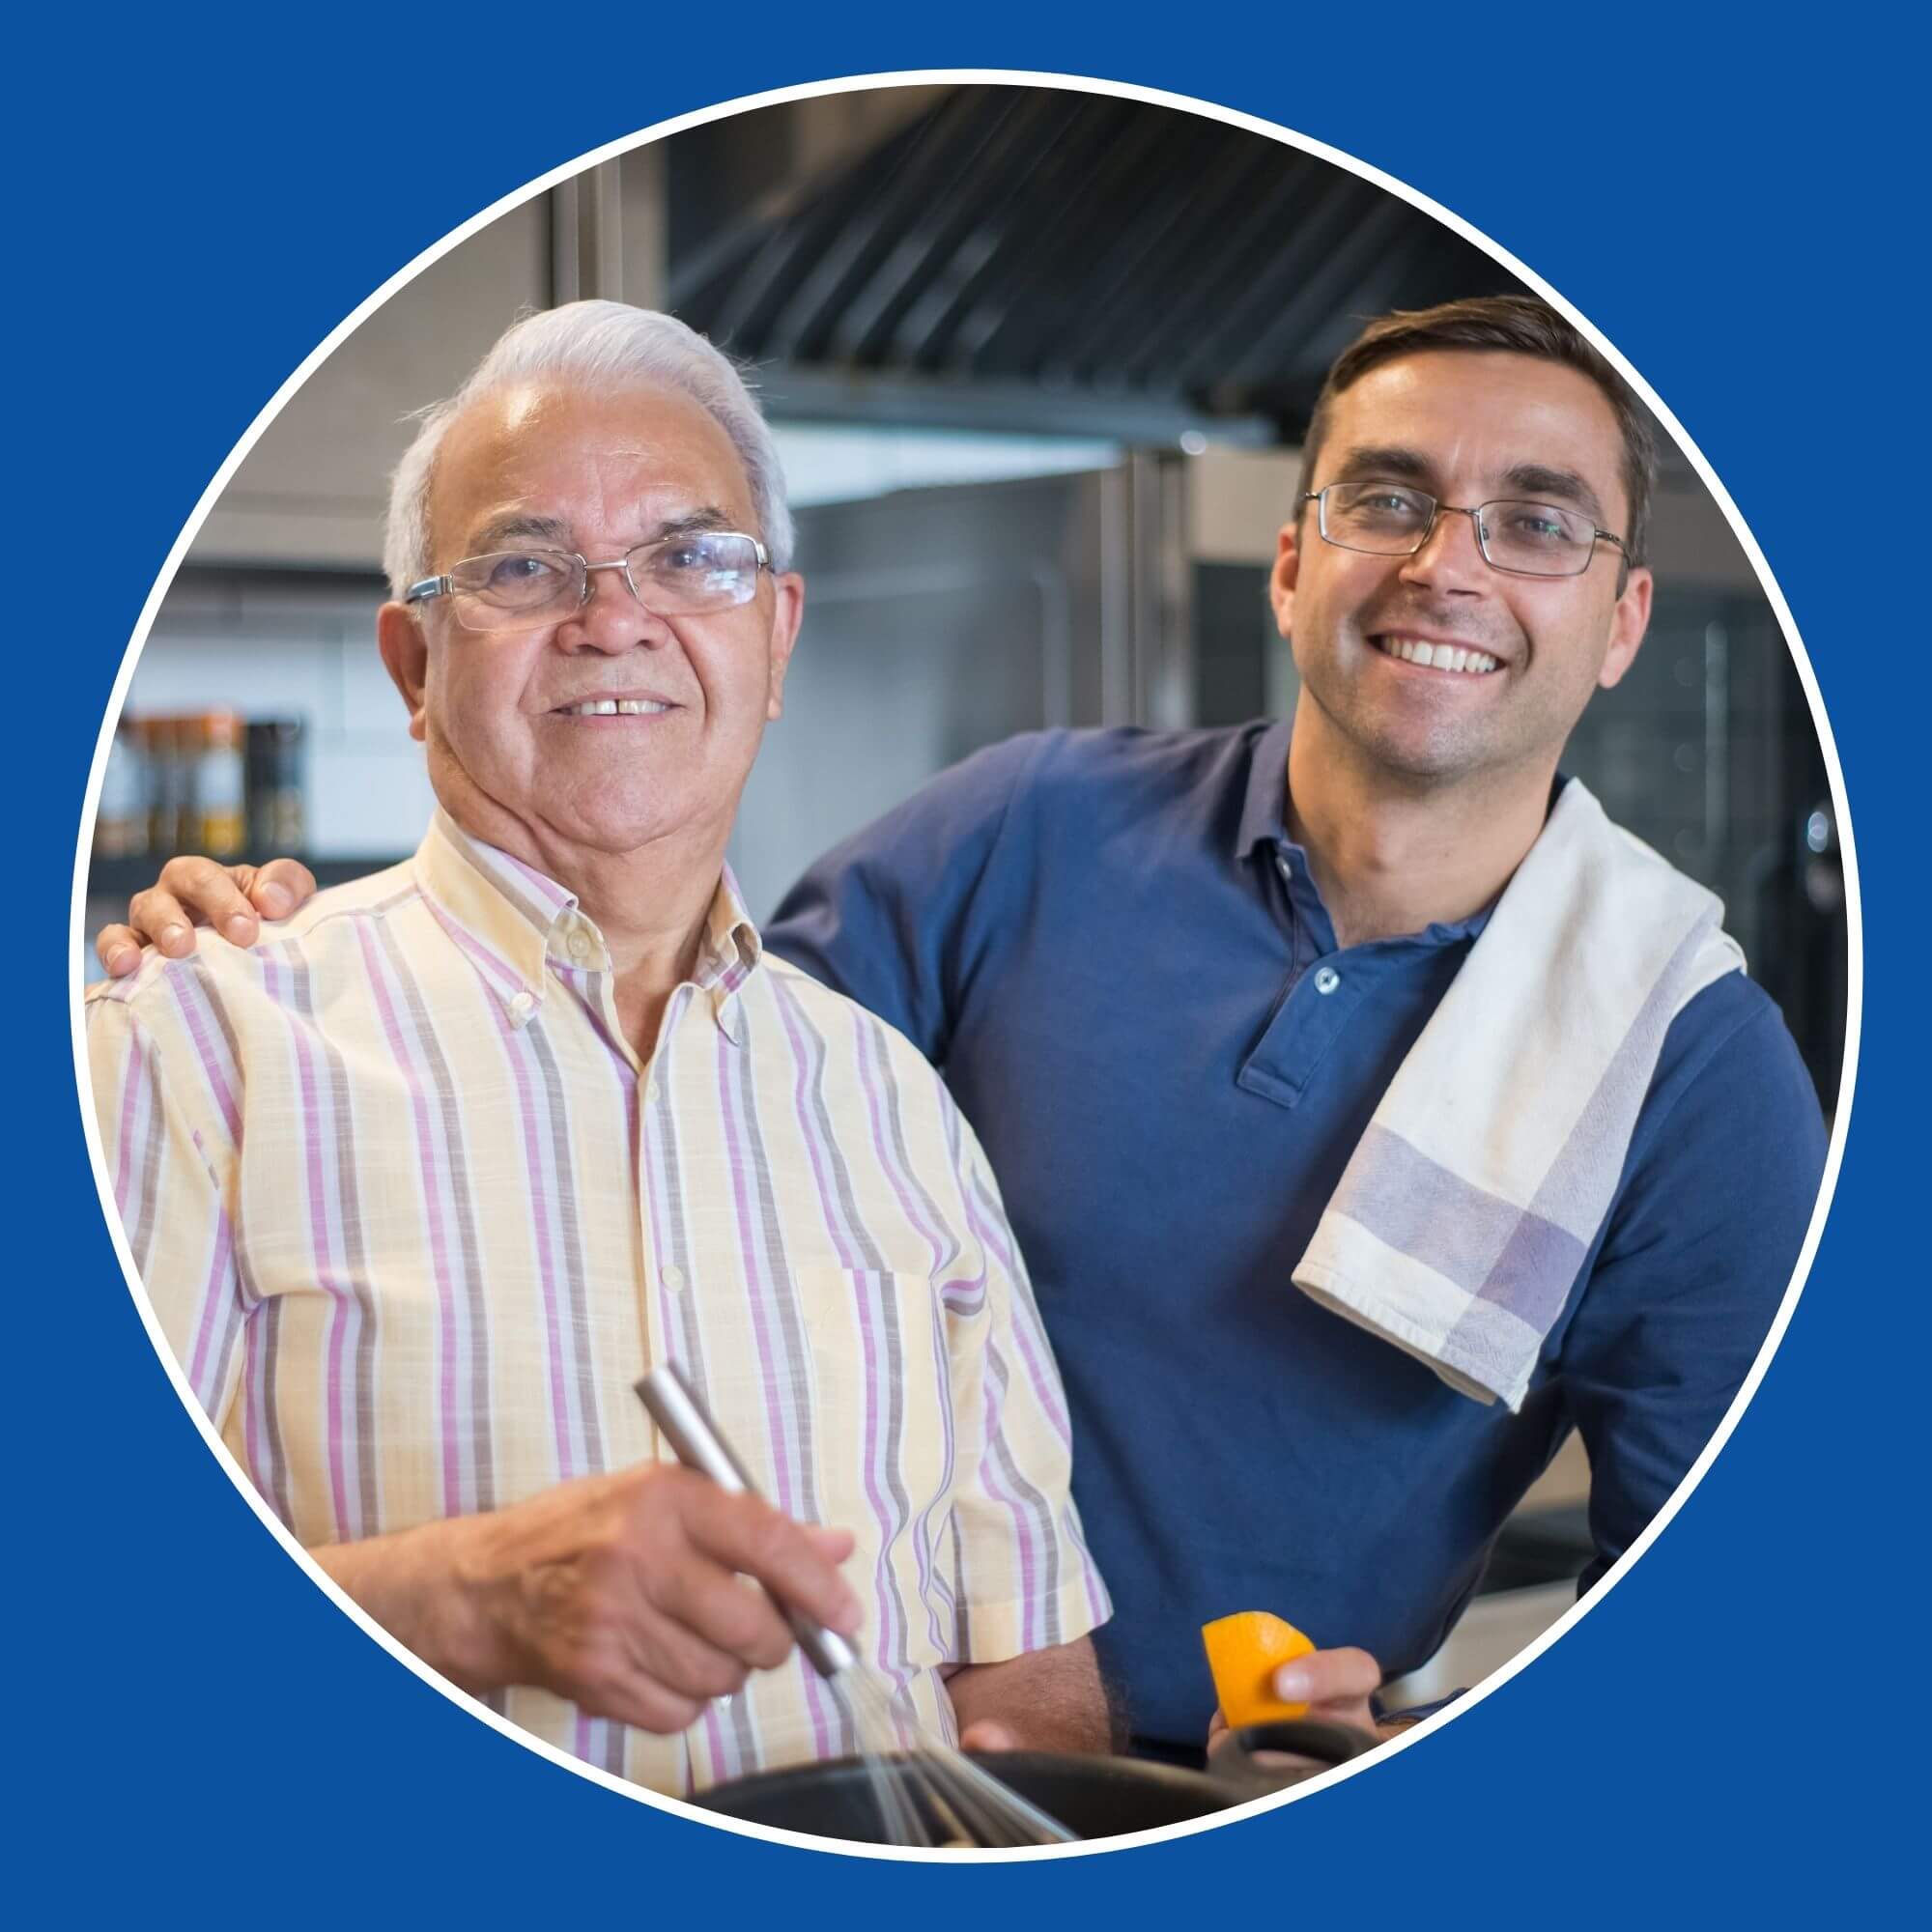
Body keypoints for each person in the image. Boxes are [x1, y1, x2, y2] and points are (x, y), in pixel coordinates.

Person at [101, 297, 1829, 1766]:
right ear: (1293, 562)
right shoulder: (1028, 838)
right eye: (1388, 498)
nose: (1447, 565)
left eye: (1538, 522)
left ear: (1622, 624)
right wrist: (250, 957)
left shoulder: (1676, 1060)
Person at [85, 301, 1111, 1800]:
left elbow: (1025, 1654)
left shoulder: (888, 1099)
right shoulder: (198, 1045)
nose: (615, 617)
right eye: (521, 565)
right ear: (412, 661)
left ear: (775, 634)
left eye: (693, 558)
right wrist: (466, 1599)